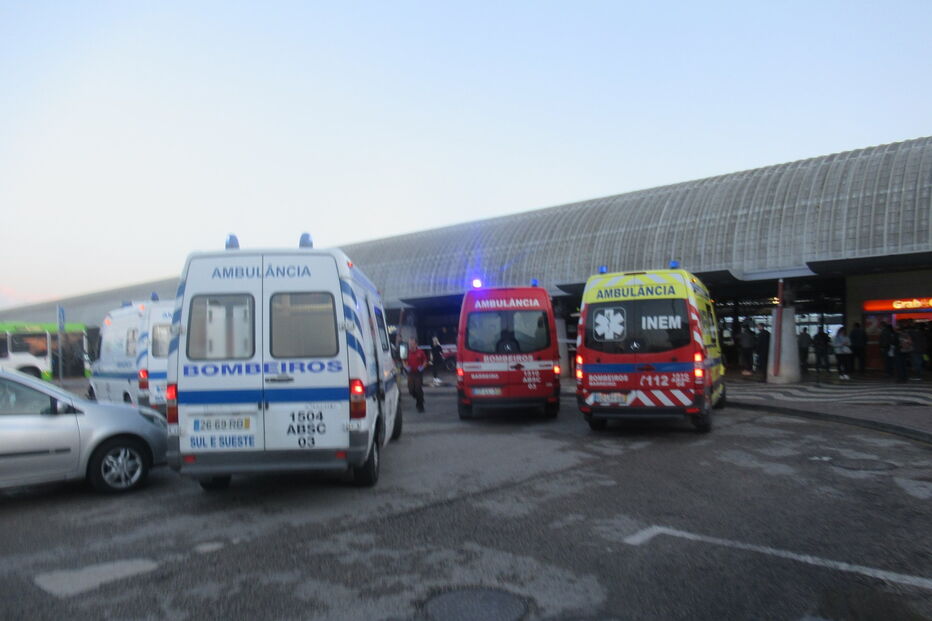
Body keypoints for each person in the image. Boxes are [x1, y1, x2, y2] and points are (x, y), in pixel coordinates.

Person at [405, 337, 428, 412]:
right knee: (411, 390)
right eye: (410, 343)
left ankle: (420, 405)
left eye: (412, 343)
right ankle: (420, 398)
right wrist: (406, 366)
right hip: (410, 373)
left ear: (416, 344)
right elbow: (403, 361)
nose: (411, 345)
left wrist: (422, 367)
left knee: (418, 389)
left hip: (418, 373)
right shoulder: (407, 352)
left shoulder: (420, 352)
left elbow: (425, 361)